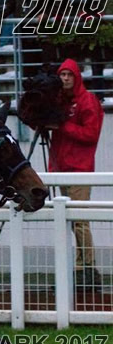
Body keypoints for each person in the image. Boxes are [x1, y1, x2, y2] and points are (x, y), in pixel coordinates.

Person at [46, 59, 104, 291]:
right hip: (61, 168)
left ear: (76, 76)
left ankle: (87, 268)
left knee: (79, 221)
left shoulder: (87, 101)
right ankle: (81, 267)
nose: (66, 78)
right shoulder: (60, 101)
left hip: (79, 169)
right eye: (62, 75)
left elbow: (91, 134)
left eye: (69, 74)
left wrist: (63, 126)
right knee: (71, 221)